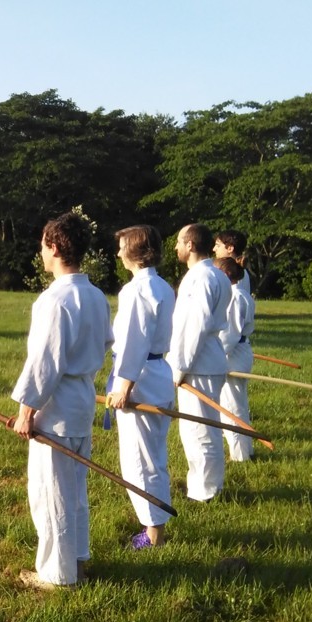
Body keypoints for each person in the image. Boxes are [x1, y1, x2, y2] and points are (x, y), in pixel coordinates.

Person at [11, 212, 113, 589]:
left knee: (52, 493)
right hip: (81, 400)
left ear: (54, 247)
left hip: (56, 408)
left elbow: (45, 363)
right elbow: (106, 342)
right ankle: (77, 561)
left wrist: (26, 412)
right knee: (74, 490)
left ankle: (58, 575)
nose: (40, 252)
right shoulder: (95, 296)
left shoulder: (54, 300)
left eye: (42, 245)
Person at [105, 226, 176, 549]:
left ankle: (153, 534)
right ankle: (154, 527)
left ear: (135, 251)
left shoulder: (137, 291)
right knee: (153, 456)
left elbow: (135, 341)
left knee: (140, 460)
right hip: (157, 373)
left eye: (122, 247)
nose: (118, 253)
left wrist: (124, 386)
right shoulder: (161, 286)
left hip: (142, 377)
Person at [169, 223, 232, 502]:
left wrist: (179, 368)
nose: (175, 247)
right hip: (206, 360)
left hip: (199, 363)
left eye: (179, 241)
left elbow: (194, 327)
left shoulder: (202, 278)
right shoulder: (212, 274)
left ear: (190, 245)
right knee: (203, 429)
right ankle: (207, 486)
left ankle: (205, 492)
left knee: (199, 431)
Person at [215, 256, 256, 462]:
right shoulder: (242, 294)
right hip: (241, 351)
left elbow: (229, 335)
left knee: (231, 405)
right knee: (238, 403)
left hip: (233, 354)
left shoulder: (234, 297)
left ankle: (240, 455)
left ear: (224, 274)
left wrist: (215, 354)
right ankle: (246, 449)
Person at [213, 229, 252, 294]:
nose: (214, 249)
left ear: (230, 248)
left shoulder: (232, 272)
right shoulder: (241, 271)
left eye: (218, 245)